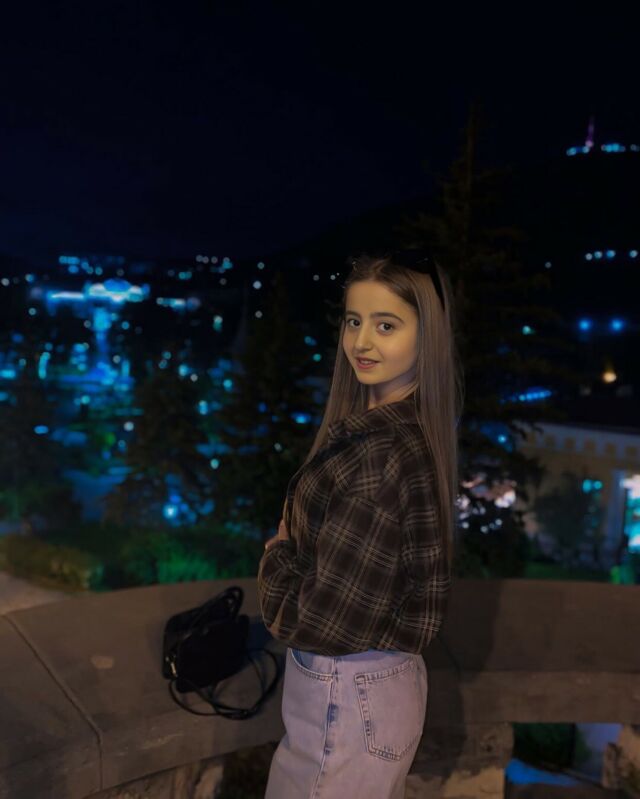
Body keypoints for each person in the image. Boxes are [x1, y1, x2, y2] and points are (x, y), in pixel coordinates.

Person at [257, 248, 464, 798]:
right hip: (375, 688)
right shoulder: (400, 431)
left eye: (386, 325)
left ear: (427, 336)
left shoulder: (380, 454)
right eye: (354, 321)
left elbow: (322, 621)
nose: (362, 342)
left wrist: (276, 557)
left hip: (347, 693)